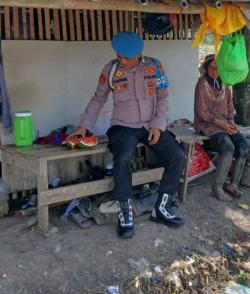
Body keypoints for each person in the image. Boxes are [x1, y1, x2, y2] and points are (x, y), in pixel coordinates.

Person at [66, 31, 185, 239]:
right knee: (122, 158)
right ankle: (125, 210)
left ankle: (161, 207)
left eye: (126, 57)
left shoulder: (154, 66)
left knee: (177, 155)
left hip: (150, 126)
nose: (121, 60)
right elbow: (98, 99)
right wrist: (84, 126)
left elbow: (163, 98)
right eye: (119, 55)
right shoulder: (111, 69)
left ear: (139, 54)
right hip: (122, 126)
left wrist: (158, 125)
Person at [193, 54, 249, 202]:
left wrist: (231, 122)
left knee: (243, 145)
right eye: (211, 67)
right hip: (207, 125)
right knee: (228, 147)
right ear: (206, 68)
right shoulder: (202, 84)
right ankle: (217, 187)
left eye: (217, 68)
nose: (214, 71)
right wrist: (222, 124)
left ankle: (233, 184)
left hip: (224, 124)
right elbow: (202, 112)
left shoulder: (225, 83)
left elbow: (230, 106)